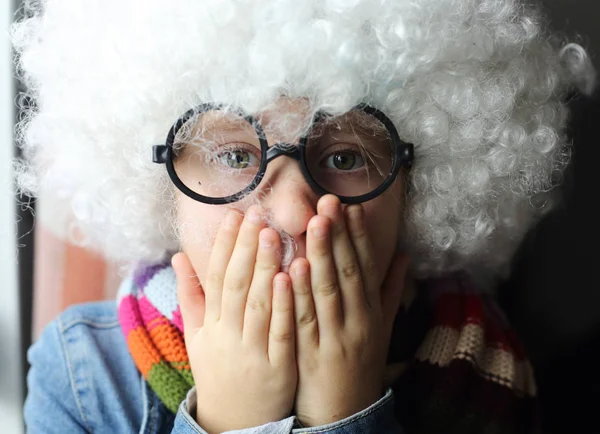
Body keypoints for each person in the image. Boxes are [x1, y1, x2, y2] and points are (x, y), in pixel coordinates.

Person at [12, 0, 595, 432]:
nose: (294, 214)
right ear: (160, 186)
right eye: (234, 155)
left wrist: (342, 415)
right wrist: (230, 422)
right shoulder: (85, 375)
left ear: (419, 187)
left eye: (343, 157)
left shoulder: (491, 379)